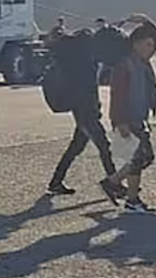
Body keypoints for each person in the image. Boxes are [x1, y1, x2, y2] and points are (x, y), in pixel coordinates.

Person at [100, 15, 156, 214]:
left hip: (140, 116)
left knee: (145, 158)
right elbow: (117, 95)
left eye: (151, 45)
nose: (151, 48)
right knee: (138, 159)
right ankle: (132, 200)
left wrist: (146, 21)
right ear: (136, 44)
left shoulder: (142, 60)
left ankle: (113, 183)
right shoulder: (124, 64)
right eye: (147, 44)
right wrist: (120, 122)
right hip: (128, 118)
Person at [46, 26, 118, 195]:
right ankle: (113, 183)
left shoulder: (72, 59)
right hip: (87, 110)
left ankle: (56, 182)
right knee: (103, 146)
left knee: (76, 147)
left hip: (81, 109)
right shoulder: (86, 60)